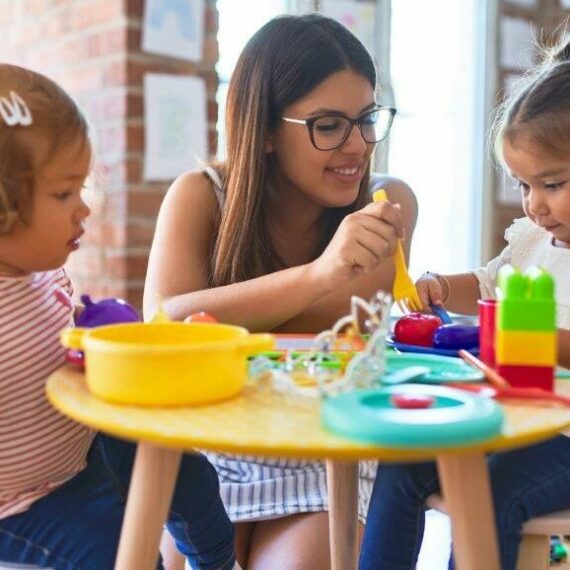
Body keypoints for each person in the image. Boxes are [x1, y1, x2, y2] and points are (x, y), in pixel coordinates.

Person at [144, 13, 417, 570]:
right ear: (265, 129)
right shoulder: (201, 196)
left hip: (326, 453)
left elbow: (348, 314)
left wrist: (226, 310)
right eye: (328, 125)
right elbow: (164, 323)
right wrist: (321, 273)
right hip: (213, 448)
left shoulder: (388, 206)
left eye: (367, 119)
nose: (356, 146)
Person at [0, 63, 237, 570]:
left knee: (195, 483)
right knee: (125, 556)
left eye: (80, 188)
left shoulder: (42, 274)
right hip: (22, 505)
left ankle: (217, 564)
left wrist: (157, 344)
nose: (83, 209)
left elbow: (85, 337)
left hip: (87, 445)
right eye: (64, 194)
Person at [359, 40, 570, 570]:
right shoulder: (533, 241)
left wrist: (532, 339)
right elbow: (488, 280)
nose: (534, 204)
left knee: (493, 491)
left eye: (553, 184)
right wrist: (435, 285)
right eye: (524, 185)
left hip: (562, 440)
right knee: (404, 461)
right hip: (516, 422)